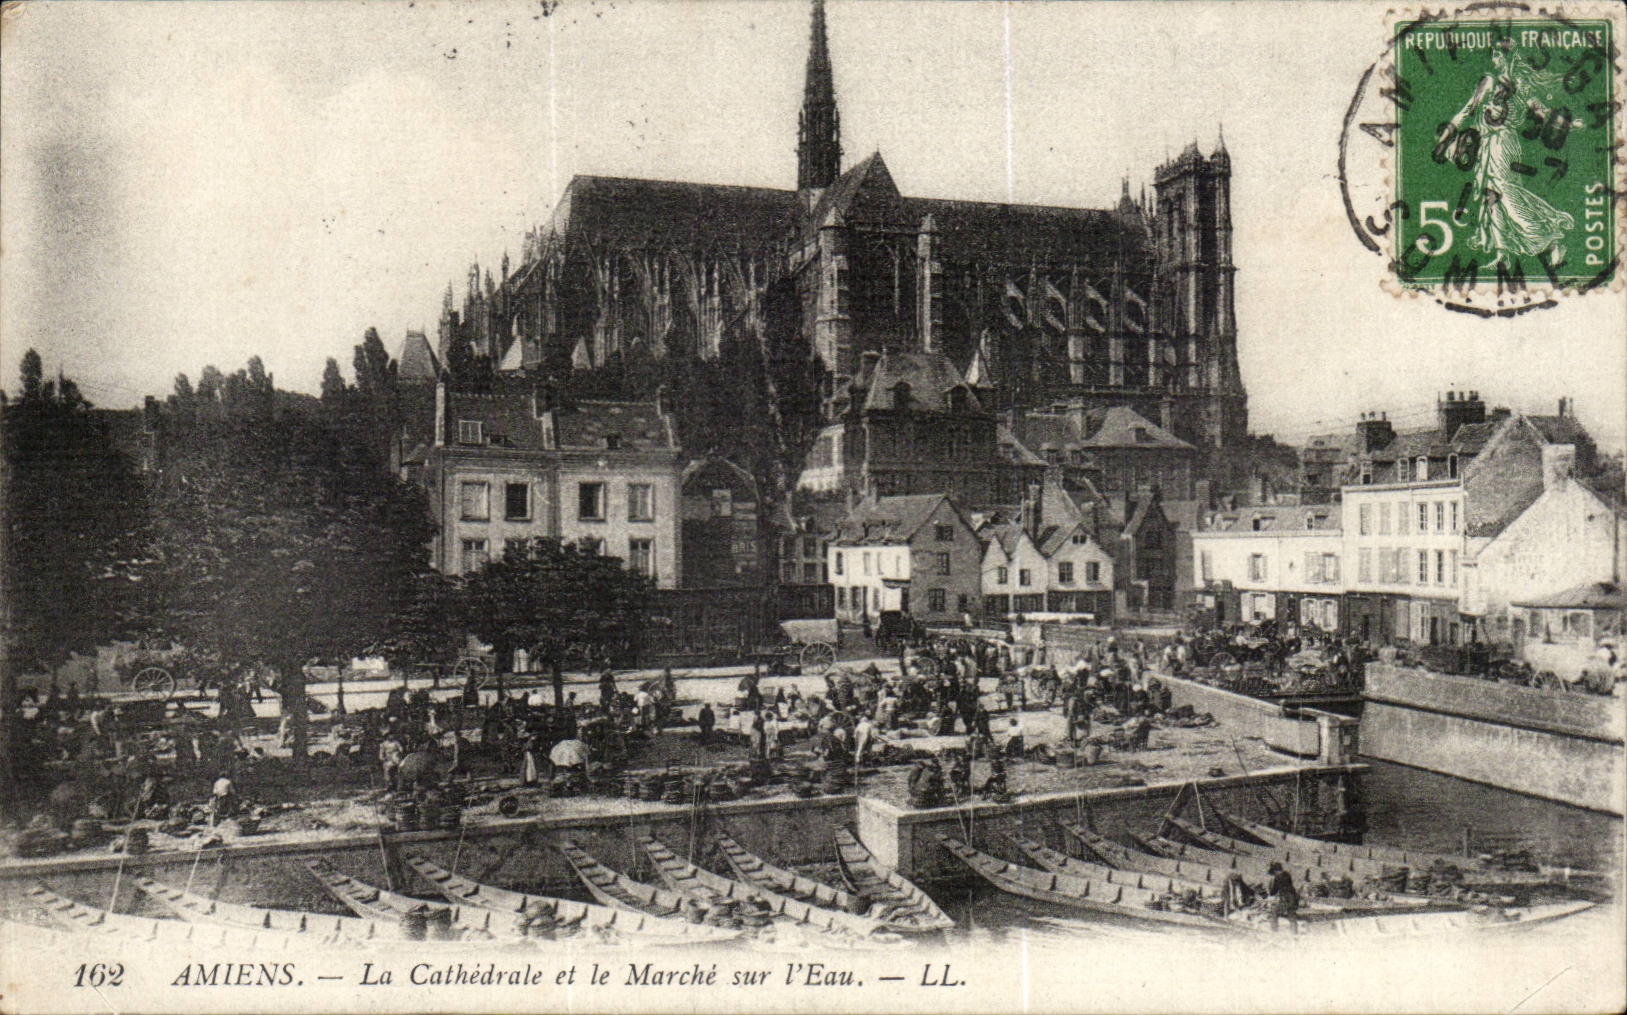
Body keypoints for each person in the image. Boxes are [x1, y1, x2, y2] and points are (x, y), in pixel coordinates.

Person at [1266, 861, 1300, 933]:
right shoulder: (1288, 875)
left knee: (1274, 911)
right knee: (1291, 914)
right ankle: (1294, 932)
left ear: (1276, 871)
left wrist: (1268, 894)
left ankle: (1274, 930)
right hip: (1293, 898)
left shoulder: (1278, 877)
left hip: (1285, 899)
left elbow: (1274, 890)